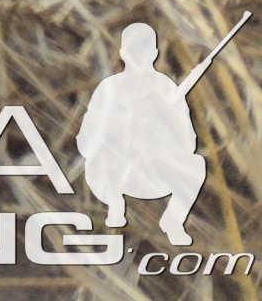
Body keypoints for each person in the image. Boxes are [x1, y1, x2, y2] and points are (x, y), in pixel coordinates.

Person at [79, 23, 209, 245]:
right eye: (134, 52)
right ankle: (115, 208)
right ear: (122, 54)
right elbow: (85, 139)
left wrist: (166, 122)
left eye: (144, 52)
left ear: (154, 54)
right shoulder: (110, 88)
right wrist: (116, 133)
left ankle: (173, 221)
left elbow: (189, 142)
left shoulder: (165, 88)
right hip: (113, 173)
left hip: (151, 173)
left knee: (196, 165)